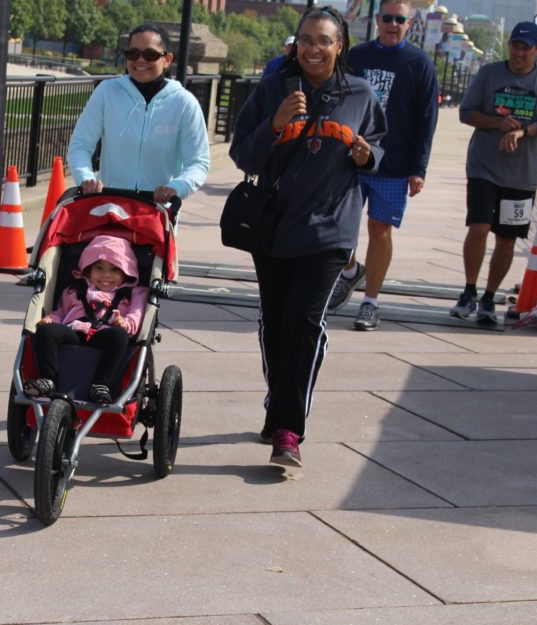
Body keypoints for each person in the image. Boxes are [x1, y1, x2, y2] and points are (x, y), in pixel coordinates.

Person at [229, 6, 386, 468]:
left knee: (303, 320)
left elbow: (380, 147)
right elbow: (244, 157)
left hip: (331, 230)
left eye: (323, 41)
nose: (313, 49)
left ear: (340, 47)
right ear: (295, 46)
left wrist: (366, 155)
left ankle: (288, 431)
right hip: (274, 228)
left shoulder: (360, 94)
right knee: (275, 324)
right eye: (305, 40)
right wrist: (275, 124)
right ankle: (279, 404)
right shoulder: (275, 89)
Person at [328, 0, 439, 331]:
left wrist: (419, 169)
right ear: (378, 20)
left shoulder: (420, 64)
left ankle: (370, 302)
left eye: (400, 19)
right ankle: (349, 270)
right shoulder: (357, 56)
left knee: (380, 229)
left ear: (410, 24)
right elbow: (335, 99)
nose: (393, 24)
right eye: (388, 18)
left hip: (394, 164)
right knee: (338, 226)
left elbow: (426, 120)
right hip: (351, 159)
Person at [451, 21, 537, 324]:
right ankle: (469, 290)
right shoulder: (489, 73)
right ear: (509, 46)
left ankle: (489, 297)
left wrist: (525, 130)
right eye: (515, 46)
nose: (519, 53)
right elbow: (466, 112)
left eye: (526, 47)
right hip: (484, 166)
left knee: (506, 239)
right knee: (479, 228)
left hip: (522, 174)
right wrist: (497, 123)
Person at [68, 23, 210, 205]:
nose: (140, 60)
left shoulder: (184, 103)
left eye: (150, 55)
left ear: (167, 59)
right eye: (133, 54)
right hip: (109, 207)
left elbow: (198, 162)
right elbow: (80, 145)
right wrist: (86, 179)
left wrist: (177, 187)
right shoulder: (106, 92)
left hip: (158, 212)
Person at [24, 235, 149, 405]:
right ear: (88, 270)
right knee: (46, 331)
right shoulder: (75, 289)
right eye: (99, 268)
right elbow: (60, 313)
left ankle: (100, 384)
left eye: (114, 270)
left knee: (119, 336)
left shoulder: (135, 293)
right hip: (74, 330)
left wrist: (125, 324)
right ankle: (48, 380)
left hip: (106, 334)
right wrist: (50, 319)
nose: (106, 275)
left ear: (127, 272)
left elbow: (136, 317)